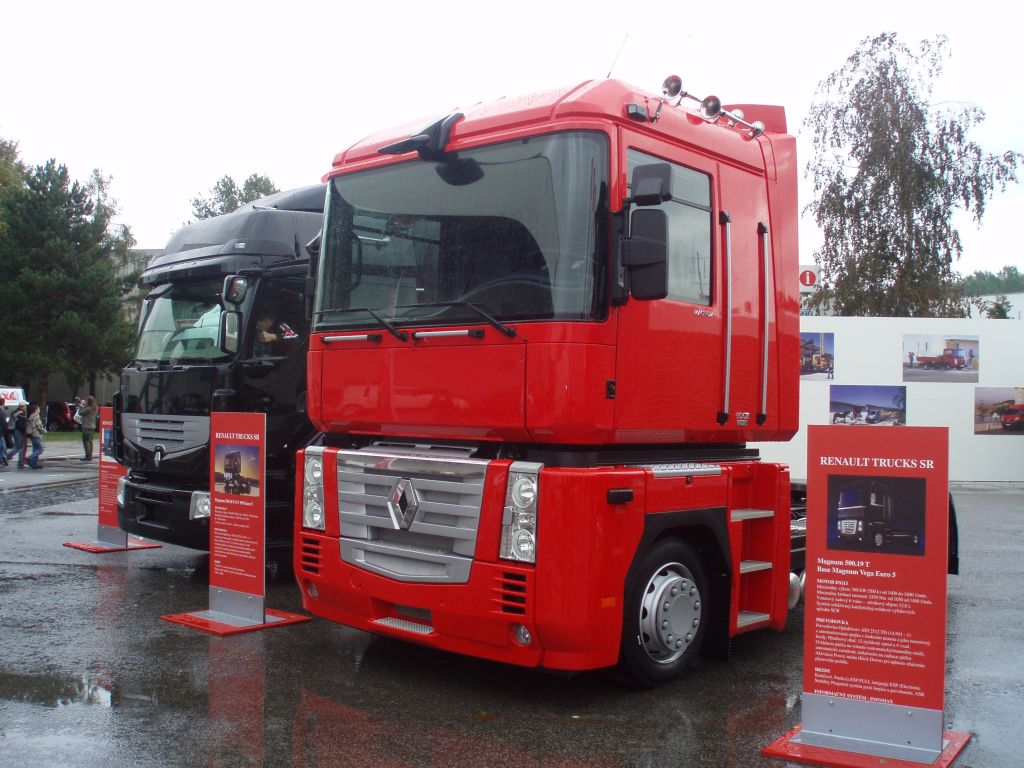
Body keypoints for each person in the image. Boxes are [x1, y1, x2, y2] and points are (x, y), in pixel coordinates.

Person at [6, 401, 28, 468]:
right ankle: (20, 463)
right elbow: (21, 425)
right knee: (20, 447)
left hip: (14, 431)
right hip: (19, 431)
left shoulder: (15, 412)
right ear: (22, 406)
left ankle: (6, 457)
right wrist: (25, 430)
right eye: (25, 405)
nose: (26, 407)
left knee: (17, 446)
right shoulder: (21, 414)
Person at [24, 402, 45, 470]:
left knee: (35, 448)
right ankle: (31, 457)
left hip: (31, 434)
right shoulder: (36, 416)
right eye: (38, 408)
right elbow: (39, 426)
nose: (39, 410)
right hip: (36, 434)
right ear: (36, 410)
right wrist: (44, 431)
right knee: (40, 449)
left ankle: (34, 463)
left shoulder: (30, 416)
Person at [78, 395, 99, 461]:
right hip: (92, 426)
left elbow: (80, 413)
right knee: (90, 441)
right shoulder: (95, 408)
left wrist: (81, 406)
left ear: (89, 402)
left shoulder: (89, 409)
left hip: (86, 426)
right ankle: (90, 456)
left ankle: (87, 456)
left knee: (86, 441)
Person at [0, 397, 10, 467]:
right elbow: (4, 423)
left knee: (3, 446)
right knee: (2, 446)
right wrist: (5, 429)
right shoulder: (1, 412)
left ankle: (3, 459)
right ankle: (2, 459)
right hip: (0, 432)